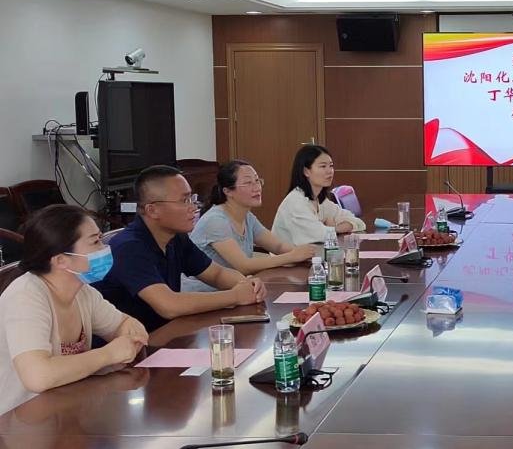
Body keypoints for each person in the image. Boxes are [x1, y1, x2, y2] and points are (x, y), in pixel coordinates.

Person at [0, 205, 149, 415]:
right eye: (95, 242)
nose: (104, 248)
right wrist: (108, 354)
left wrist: (130, 337)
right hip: (18, 422)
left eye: (101, 239)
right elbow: (38, 377)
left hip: (66, 411)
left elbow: (125, 324)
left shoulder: (82, 291)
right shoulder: (25, 297)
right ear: (61, 260)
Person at [93, 165, 266, 332]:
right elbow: (169, 305)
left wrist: (247, 285)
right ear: (152, 210)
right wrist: (236, 296)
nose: (193, 207)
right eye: (184, 201)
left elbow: (216, 274)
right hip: (128, 345)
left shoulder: (175, 238)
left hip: (165, 334)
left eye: (192, 199)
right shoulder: (128, 247)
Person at [182, 160, 318, 292]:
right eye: (248, 183)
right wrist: (292, 256)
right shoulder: (215, 221)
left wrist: (306, 256)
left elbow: (278, 246)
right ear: (228, 191)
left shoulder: (247, 217)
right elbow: (244, 266)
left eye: (257, 181)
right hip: (204, 294)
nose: (257, 187)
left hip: (234, 290)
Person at [272, 145, 365, 245]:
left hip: (314, 253)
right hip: (289, 255)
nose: (329, 171)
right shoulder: (295, 202)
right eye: (323, 166)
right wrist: (335, 228)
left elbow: (358, 222)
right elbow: (318, 235)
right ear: (306, 171)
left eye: (331, 166)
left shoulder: (320, 200)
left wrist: (336, 228)